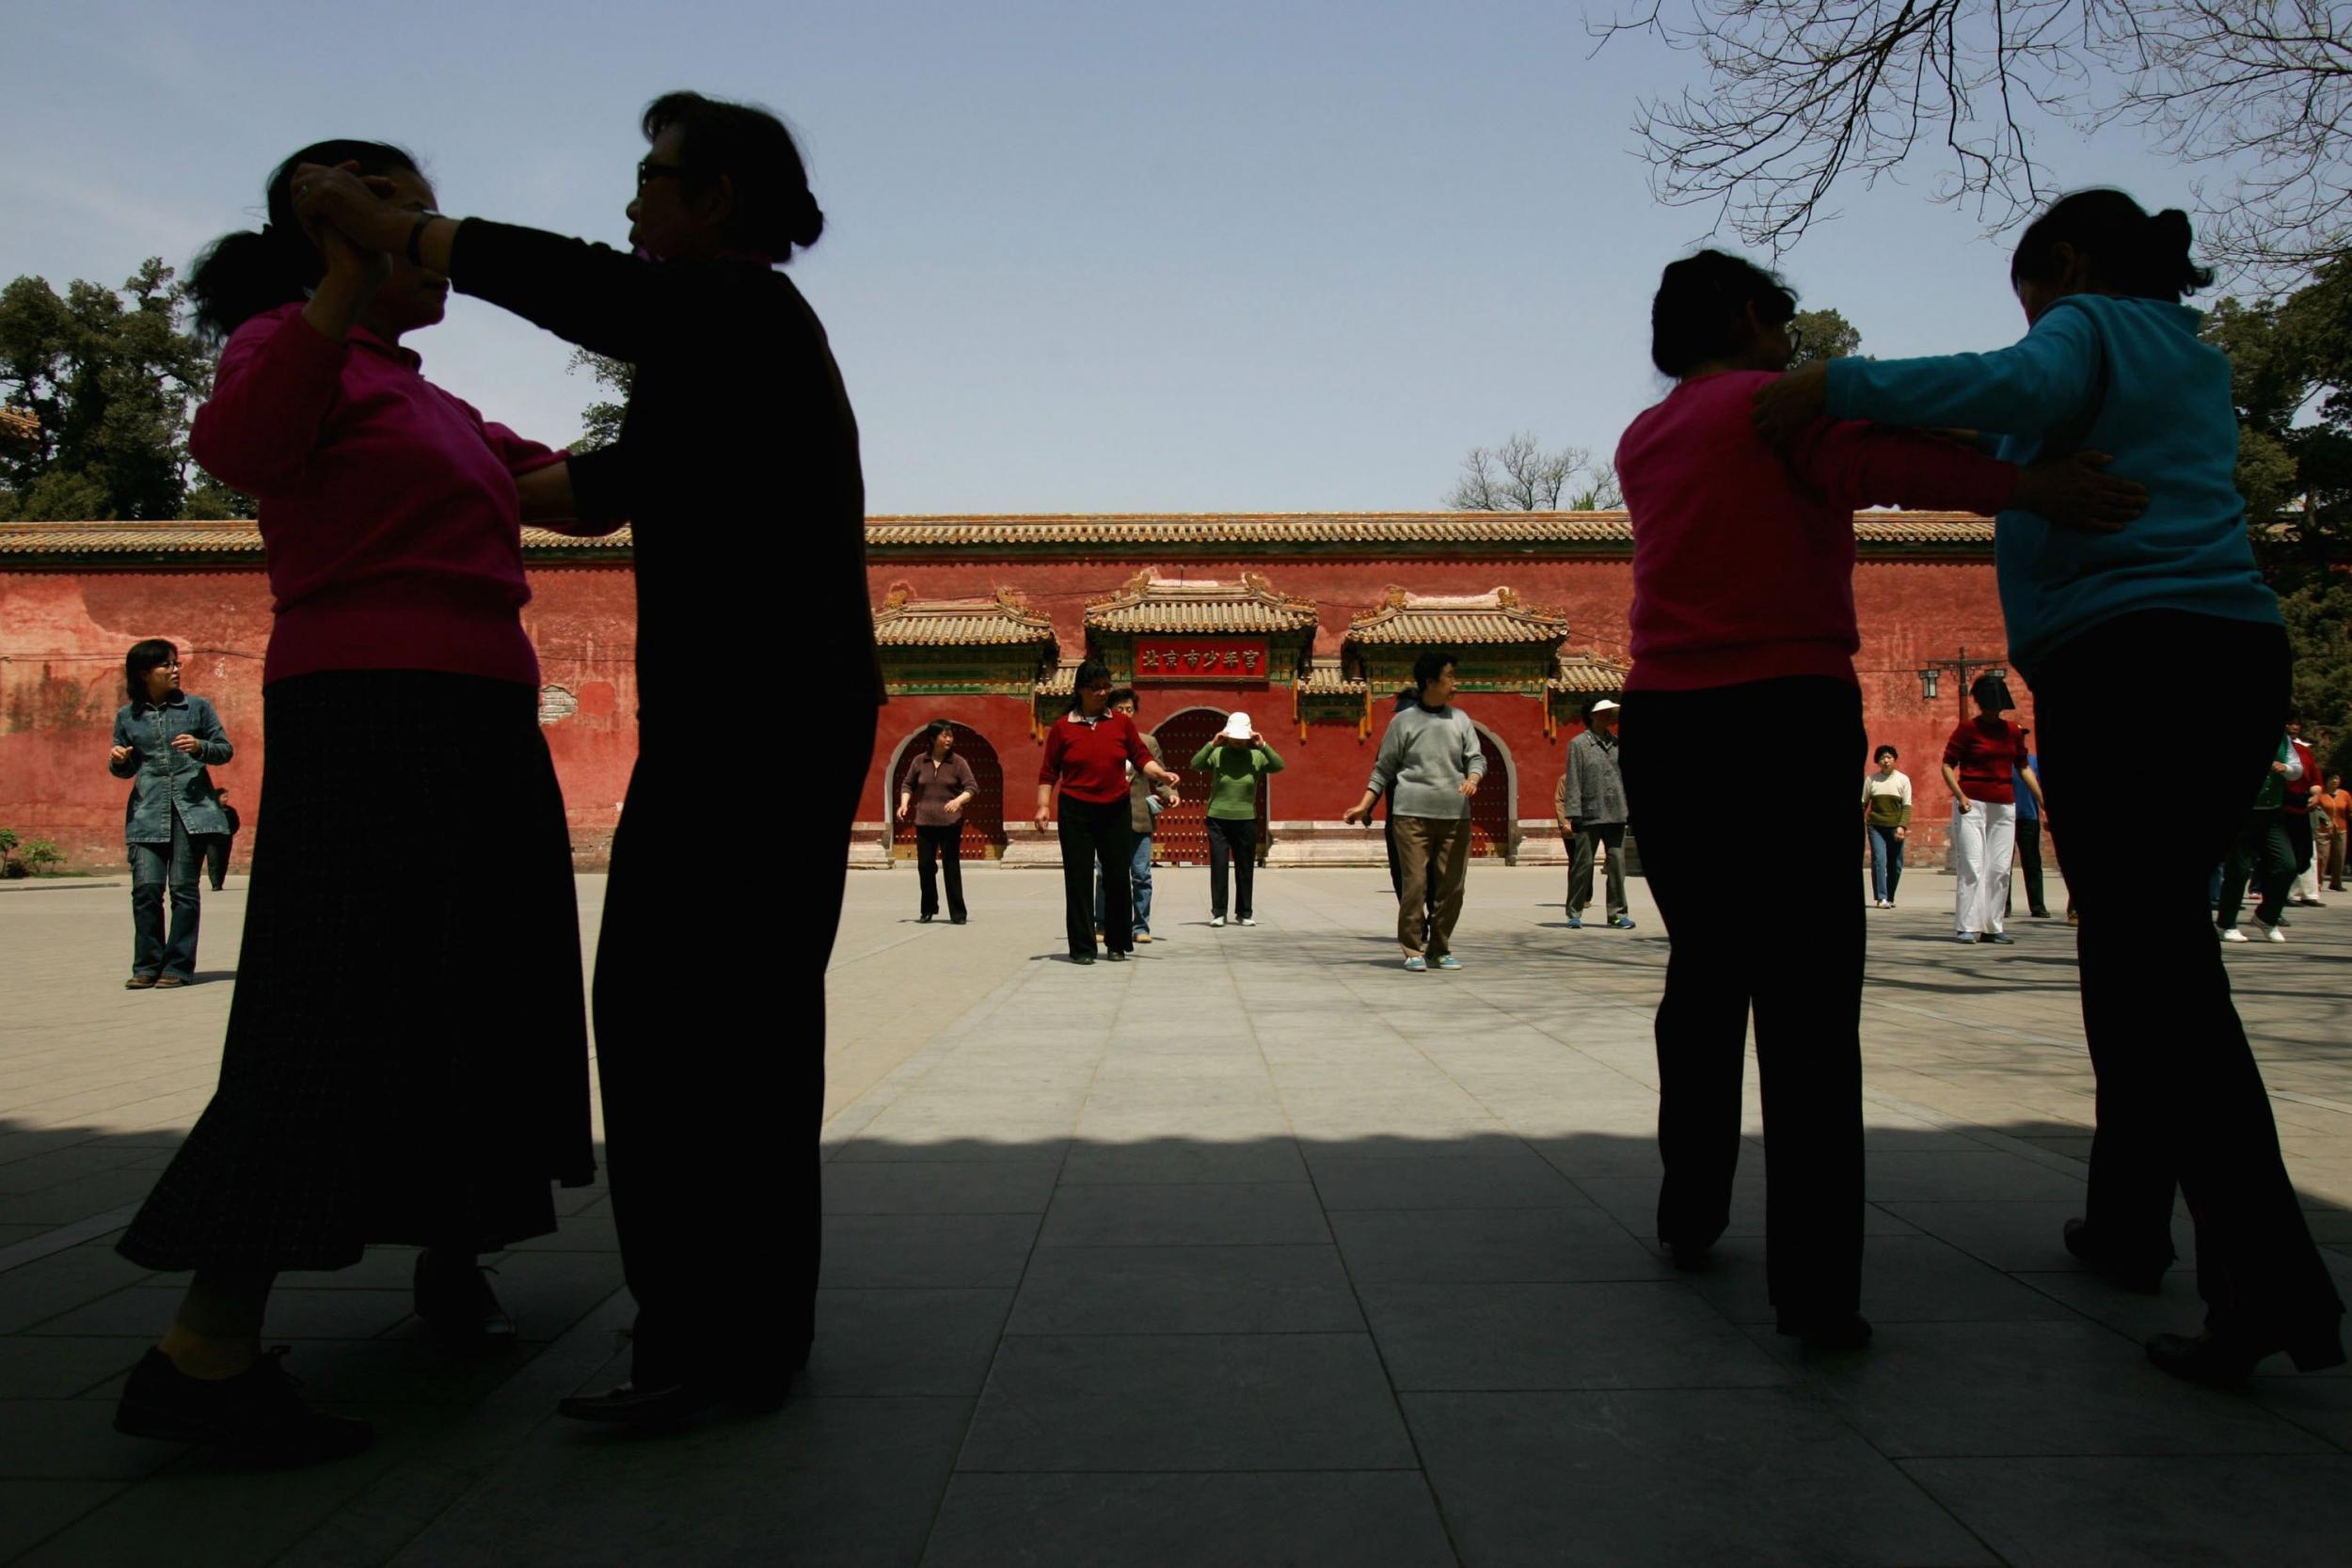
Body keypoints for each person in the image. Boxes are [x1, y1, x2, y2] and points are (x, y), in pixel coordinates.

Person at [295, 91, 878, 1425]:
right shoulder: (728, 349)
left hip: (751, 727)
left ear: (715, 198)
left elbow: (595, 293)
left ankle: (706, 1349)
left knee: (683, 1031)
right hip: (769, 721)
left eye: (650, 176)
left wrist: (418, 231)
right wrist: (434, 462)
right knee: (739, 1034)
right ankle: (743, 1338)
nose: (631, 203)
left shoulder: (735, 309)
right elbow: (595, 489)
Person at [1758, 188, 2344, 1383]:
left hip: (2136, 662)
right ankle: (2129, 1219)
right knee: (2140, 947)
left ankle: (2266, 1277)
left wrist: (1836, 383)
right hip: (2219, 655)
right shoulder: (2180, 352)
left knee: (2156, 968)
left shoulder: (2091, 323)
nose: (2029, 325)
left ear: (2061, 265)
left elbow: (2017, 387)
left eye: (2027, 300)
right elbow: (2021, 431)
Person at [113, 140, 595, 1464]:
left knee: (478, 995)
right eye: (397, 201)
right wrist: (332, 275)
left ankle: (453, 1255)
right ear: (325, 225)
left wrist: (707, 380)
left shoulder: (432, 400)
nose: (426, 225)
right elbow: (244, 448)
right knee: (333, 1004)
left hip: (480, 716)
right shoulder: (290, 341)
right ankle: (205, 1348)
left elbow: (572, 501)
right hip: (371, 711)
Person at [1619, 248, 2138, 1353]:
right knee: (1807, 993)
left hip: (1667, 720)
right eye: (1781, 322)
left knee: (1704, 966)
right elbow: (1894, 462)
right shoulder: (1778, 411)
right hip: (1783, 710)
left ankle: (1688, 1206)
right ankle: (1813, 1288)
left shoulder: (1645, 435)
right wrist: (2034, 485)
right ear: (1754, 317)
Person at [1343, 650, 1486, 972]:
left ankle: (1440, 948)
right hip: (1411, 815)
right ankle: (1412, 948)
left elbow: (1476, 757)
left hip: (1455, 816)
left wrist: (1473, 778)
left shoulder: (1460, 719)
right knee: (1416, 884)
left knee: (1452, 888)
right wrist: (1365, 804)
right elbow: (1384, 768)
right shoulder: (1403, 721)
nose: (1455, 683)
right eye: (1450, 676)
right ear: (1430, 681)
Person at [108, 641, 233, 988]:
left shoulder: (198, 708)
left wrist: (200, 747)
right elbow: (125, 768)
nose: (176, 669)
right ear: (145, 673)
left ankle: (177, 967)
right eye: (167, 665)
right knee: (146, 890)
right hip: (147, 812)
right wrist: (119, 760)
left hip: (191, 811)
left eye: (176, 664)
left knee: (183, 890)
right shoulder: (127, 717)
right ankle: (146, 966)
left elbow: (225, 750)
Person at [1038, 660, 1181, 963]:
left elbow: (1141, 758)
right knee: (1077, 879)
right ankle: (1082, 947)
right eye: (1095, 687)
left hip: (1116, 808)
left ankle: (1117, 943)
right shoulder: (1063, 727)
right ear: (1080, 690)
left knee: (1117, 876)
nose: (1102, 692)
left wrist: (1162, 775)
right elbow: (1049, 772)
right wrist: (1042, 806)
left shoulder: (1121, 723)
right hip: (1075, 810)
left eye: (1106, 686)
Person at [1942, 675, 2030, 945]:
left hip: (2005, 806)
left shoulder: (2013, 732)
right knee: (1973, 865)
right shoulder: (1967, 730)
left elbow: (2023, 767)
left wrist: (2042, 800)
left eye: (1997, 707)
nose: (1993, 712)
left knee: (2001, 868)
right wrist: (1960, 796)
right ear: (1981, 704)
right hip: (1972, 804)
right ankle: (1967, 926)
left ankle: (1993, 926)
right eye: (1989, 706)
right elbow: (1947, 765)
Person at [1094, 688, 1176, 942]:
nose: (1126, 714)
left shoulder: (1147, 742)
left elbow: (1158, 774)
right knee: (1104, 874)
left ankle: (1141, 927)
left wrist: (1169, 792)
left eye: (1129, 709)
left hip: (1139, 818)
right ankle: (1102, 924)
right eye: (1120, 709)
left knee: (1141, 875)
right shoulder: (1099, 739)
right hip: (1107, 817)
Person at [1191, 710, 1283, 927]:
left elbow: (1279, 765)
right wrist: (1212, 744)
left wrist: (1263, 745)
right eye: (1234, 738)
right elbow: (1195, 764)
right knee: (1220, 865)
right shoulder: (1217, 753)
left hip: (1245, 818)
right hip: (1217, 818)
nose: (1238, 743)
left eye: (1242, 739)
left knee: (1244, 867)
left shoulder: (1257, 757)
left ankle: (1244, 912)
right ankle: (1219, 912)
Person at [2217, 728, 2300, 944]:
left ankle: (2266, 917)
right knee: (2239, 870)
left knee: (2287, 866)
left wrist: (2286, 768)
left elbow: (2297, 770)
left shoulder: (2283, 739)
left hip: (2273, 813)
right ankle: (2226, 924)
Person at [1558, 698, 1631, 929]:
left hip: (1616, 813)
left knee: (1618, 865)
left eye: (1610, 712)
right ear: (1592, 715)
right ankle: (1574, 911)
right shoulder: (1578, 744)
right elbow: (1573, 780)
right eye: (1603, 712)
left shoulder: (1617, 744)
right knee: (1583, 864)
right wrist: (1574, 814)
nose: (1608, 716)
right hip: (1589, 813)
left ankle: (1617, 913)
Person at [898, 720, 976, 925]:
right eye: (944, 735)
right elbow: (908, 784)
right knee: (925, 866)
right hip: (924, 821)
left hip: (951, 823)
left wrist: (958, 800)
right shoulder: (919, 761)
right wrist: (904, 804)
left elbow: (971, 787)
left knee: (951, 867)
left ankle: (958, 913)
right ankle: (928, 908)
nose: (949, 739)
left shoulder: (958, 762)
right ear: (933, 739)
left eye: (950, 735)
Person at [1860, 745, 1912, 909]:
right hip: (1876, 827)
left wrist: (1902, 826)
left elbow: (1907, 806)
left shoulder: (1903, 780)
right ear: (1878, 761)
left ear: (1894, 759)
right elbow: (1863, 803)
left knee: (1895, 864)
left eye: (1889, 757)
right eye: (1882, 758)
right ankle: (1881, 897)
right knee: (1879, 860)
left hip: (1895, 827)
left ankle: (1890, 896)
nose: (1886, 761)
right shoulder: (1871, 780)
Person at [2283, 720, 2324, 907]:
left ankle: (2305, 893)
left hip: (2301, 808)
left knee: (2305, 853)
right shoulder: (2280, 749)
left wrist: (2316, 794)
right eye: (2291, 724)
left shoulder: (2305, 752)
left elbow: (2315, 780)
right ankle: (2281, 896)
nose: (2295, 727)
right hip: (2278, 808)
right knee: (2282, 855)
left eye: (2298, 725)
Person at [203, 788, 242, 893]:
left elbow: (236, 824)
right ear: (217, 797)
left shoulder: (230, 810)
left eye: (227, 797)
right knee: (213, 861)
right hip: (212, 841)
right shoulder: (209, 810)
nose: (226, 799)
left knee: (224, 862)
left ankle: (220, 882)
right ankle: (215, 884)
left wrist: (230, 832)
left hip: (226, 840)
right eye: (224, 797)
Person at [2320, 770, 2349, 892]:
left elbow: (2349, 810)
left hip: (2341, 829)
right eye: (2332, 778)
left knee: (2339, 856)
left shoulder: (2344, 794)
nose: (2334, 781)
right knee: (2323, 857)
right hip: (2323, 830)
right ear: (2326, 781)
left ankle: (2336, 882)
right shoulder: (2321, 794)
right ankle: (2318, 883)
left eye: (2336, 778)